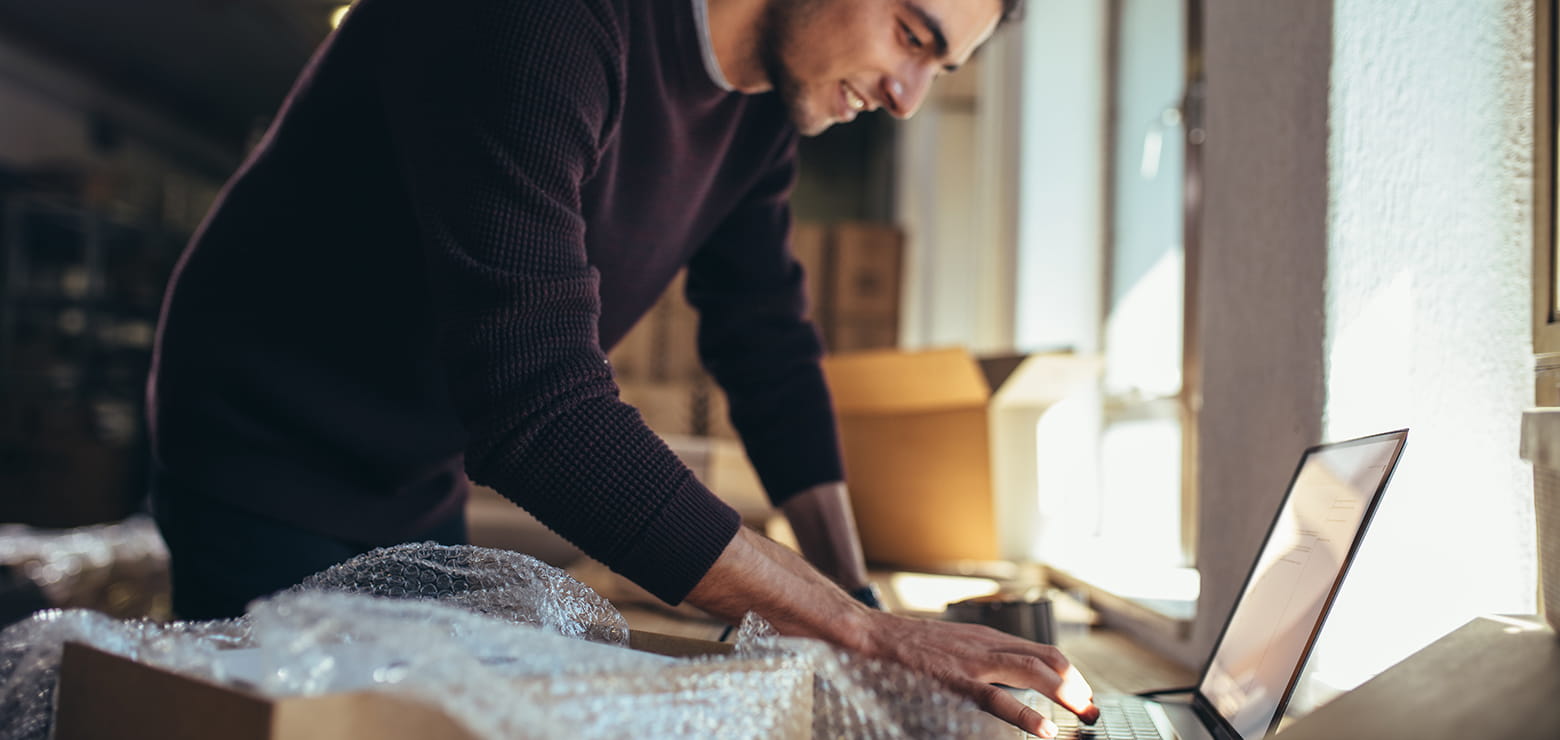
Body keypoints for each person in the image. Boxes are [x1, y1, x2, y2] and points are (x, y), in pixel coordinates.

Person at [147, 0, 1100, 734]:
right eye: (911, 35)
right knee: (296, 724)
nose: (907, 95)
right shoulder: (543, 21)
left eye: (941, 66)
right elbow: (542, 415)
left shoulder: (763, 105)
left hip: (415, 458)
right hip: (265, 434)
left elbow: (765, 340)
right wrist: (868, 636)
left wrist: (853, 597)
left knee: (413, 718)